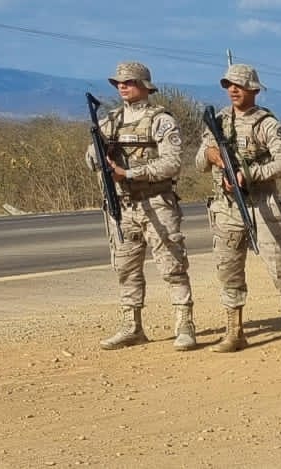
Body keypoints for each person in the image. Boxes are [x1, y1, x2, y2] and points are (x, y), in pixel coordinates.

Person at [194, 64, 281, 353]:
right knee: (229, 269)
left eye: (240, 85)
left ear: (254, 90)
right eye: (228, 85)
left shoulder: (267, 124)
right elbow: (200, 161)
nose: (233, 90)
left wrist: (251, 174)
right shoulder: (217, 122)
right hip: (226, 207)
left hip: (262, 204)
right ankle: (234, 332)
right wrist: (214, 156)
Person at [86, 61, 198, 352]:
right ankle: (131, 326)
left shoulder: (161, 120)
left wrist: (132, 173)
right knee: (126, 268)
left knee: (172, 265)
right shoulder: (109, 121)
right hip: (122, 206)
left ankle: (184, 324)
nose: (123, 86)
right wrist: (101, 151)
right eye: (119, 83)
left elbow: (172, 163)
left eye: (130, 82)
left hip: (156, 202)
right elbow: (89, 160)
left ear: (144, 86)